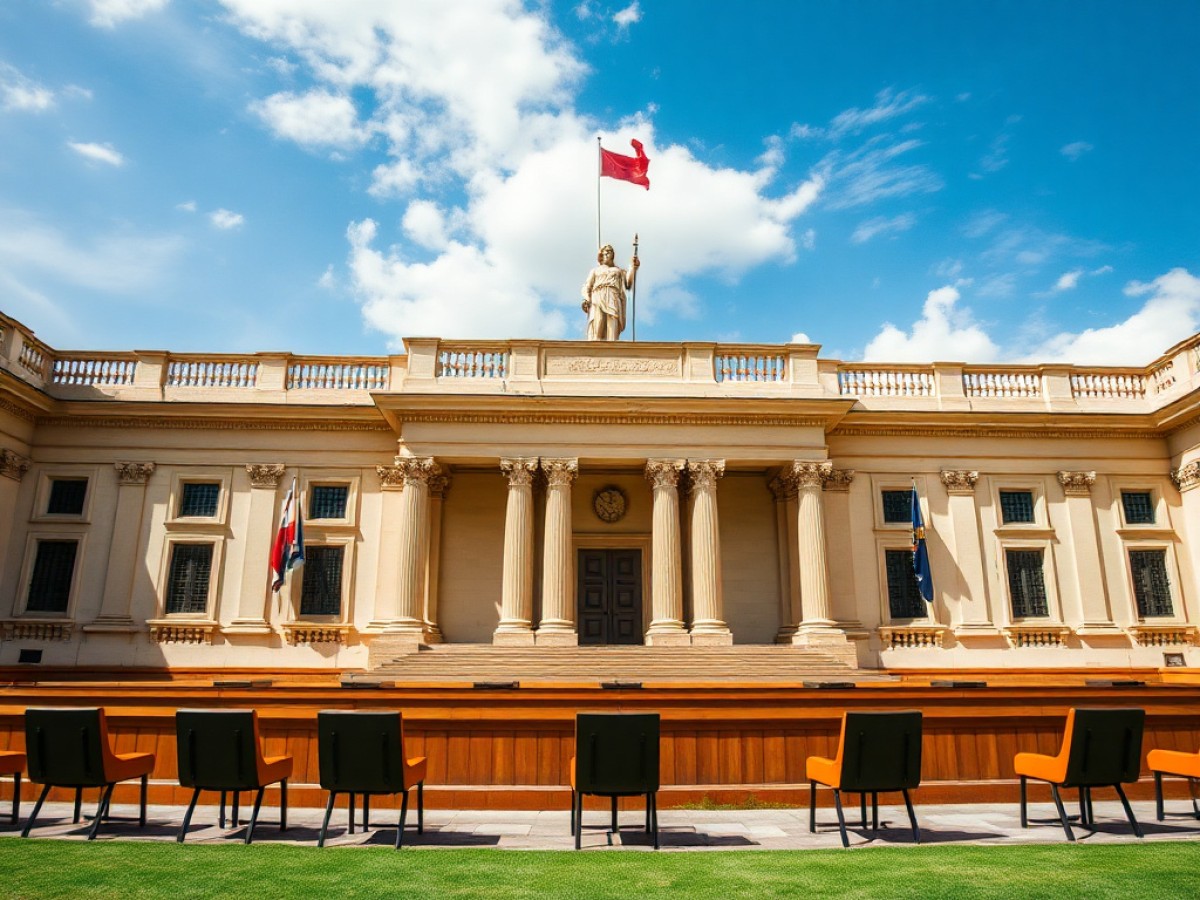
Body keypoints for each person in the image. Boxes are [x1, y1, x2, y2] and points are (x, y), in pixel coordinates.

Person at [581, 244, 638, 341]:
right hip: (598, 296)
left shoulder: (618, 271)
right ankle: (595, 345)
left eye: (609, 251)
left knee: (613, 321)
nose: (607, 253)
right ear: (601, 255)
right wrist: (586, 299)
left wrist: (633, 267)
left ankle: (613, 344)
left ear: (613, 254)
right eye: (605, 252)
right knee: (598, 322)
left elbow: (628, 283)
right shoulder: (595, 270)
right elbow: (587, 286)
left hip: (613, 296)